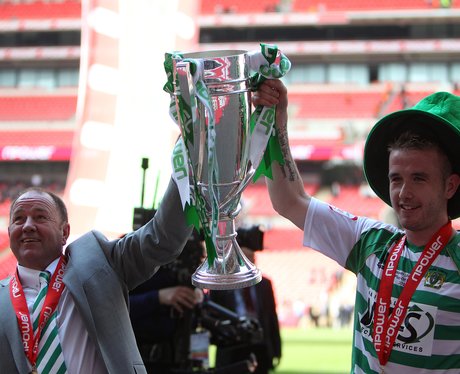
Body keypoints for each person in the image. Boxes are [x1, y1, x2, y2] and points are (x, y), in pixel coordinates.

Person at [253, 79, 460, 373]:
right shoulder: (370, 241)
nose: (404, 193)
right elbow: (290, 200)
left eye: (419, 178)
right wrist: (275, 123)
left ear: (450, 186)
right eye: (396, 179)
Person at [0, 178, 192, 374]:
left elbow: (159, 239)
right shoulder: (2, 298)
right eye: (19, 219)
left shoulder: (101, 262)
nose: (28, 226)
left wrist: (184, 174)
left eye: (40, 217)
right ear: (10, 231)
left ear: (64, 232)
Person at [129, 232, 205, 373]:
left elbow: (199, 322)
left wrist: (200, 299)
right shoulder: (133, 251)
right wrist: (158, 297)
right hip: (139, 362)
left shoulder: (192, 257)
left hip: (181, 362)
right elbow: (112, 307)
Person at [209, 228, 282, 374]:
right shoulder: (220, 284)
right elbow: (212, 317)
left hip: (259, 347)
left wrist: (276, 350)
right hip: (231, 349)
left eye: (252, 259)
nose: (250, 263)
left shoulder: (264, 284)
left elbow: (271, 318)